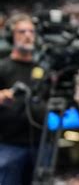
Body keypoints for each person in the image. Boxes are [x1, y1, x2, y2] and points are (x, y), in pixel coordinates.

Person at [0, 13, 43, 185]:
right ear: (11, 36)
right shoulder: (2, 67)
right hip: (9, 145)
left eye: (31, 32)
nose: (28, 35)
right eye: (22, 31)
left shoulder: (43, 69)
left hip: (41, 144)